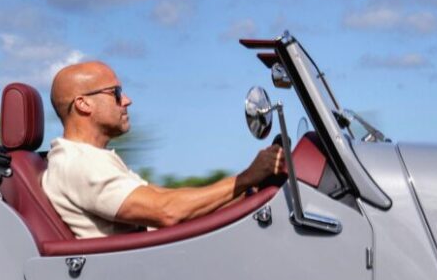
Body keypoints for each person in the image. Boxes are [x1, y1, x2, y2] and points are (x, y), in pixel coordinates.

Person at [42, 60, 288, 239]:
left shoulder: (90, 159)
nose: (127, 100)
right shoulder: (79, 165)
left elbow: (165, 198)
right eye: (115, 93)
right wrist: (247, 178)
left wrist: (247, 192)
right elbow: (168, 212)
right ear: (83, 104)